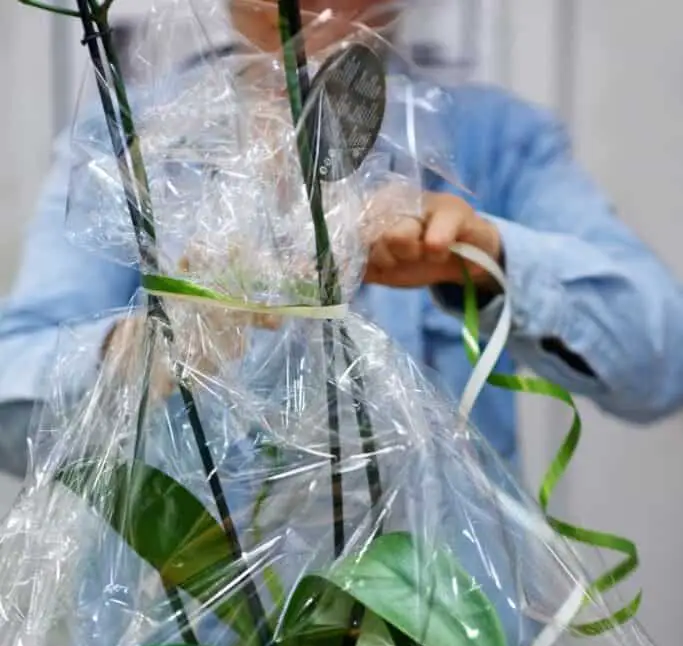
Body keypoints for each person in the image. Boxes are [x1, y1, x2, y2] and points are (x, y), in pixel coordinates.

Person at [2, 0, 683, 481]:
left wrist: (489, 260)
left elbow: (661, 363)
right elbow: (11, 400)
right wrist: (132, 355)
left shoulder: (492, 141)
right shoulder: (127, 142)